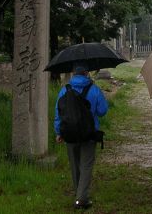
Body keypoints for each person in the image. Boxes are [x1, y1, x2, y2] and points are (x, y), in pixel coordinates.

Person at [54, 64, 108, 210]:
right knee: (86, 165)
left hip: (70, 134)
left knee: (75, 165)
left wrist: (59, 132)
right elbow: (102, 111)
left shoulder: (64, 90)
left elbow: (59, 113)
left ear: (73, 73)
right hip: (89, 134)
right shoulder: (94, 89)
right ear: (86, 73)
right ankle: (81, 198)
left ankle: (79, 193)